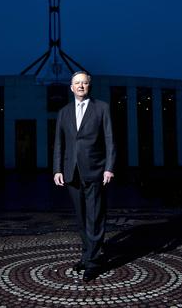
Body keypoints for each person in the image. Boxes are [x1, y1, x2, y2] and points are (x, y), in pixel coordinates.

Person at [53, 71, 116, 282]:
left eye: (84, 83)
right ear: (71, 87)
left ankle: (94, 262)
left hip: (96, 171)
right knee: (81, 219)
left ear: (89, 86)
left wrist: (109, 167)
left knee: (95, 218)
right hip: (71, 172)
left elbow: (110, 140)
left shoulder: (102, 108)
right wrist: (57, 169)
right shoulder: (63, 112)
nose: (80, 86)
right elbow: (59, 144)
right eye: (77, 83)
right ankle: (87, 254)